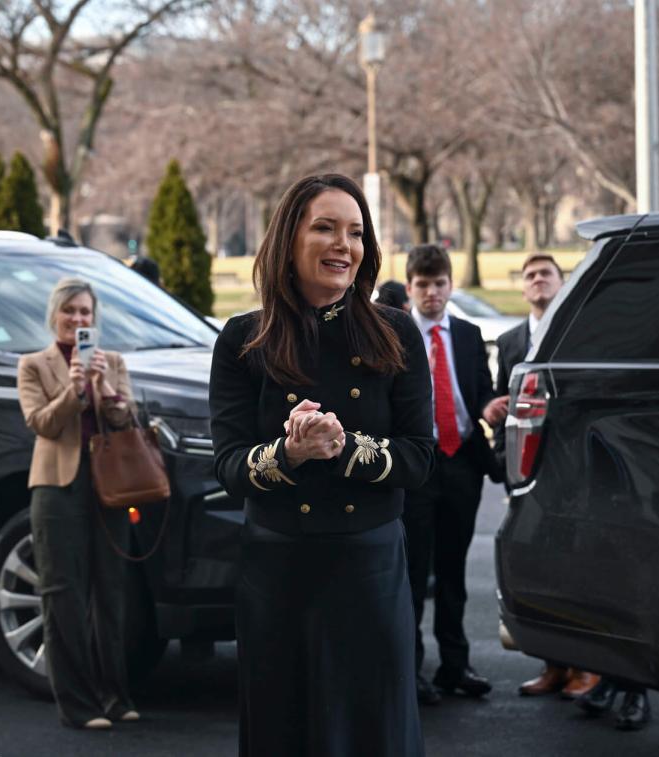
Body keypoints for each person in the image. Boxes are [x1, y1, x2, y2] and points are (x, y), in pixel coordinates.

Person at [210, 174, 434, 755]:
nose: (344, 245)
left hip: (368, 566)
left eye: (356, 233)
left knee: (371, 729)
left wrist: (344, 449)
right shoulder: (243, 340)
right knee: (282, 727)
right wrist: (289, 454)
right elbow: (230, 468)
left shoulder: (396, 332)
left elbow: (418, 457)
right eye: (326, 228)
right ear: (289, 239)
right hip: (277, 570)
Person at [16, 277, 140, 730]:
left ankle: (115, 695)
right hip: (56, 487)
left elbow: (127, 419)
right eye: (70, 312)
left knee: (110, 591)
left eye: (86, 313)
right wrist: (73, 391)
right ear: (55, 315)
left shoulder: (114, 362)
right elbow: (42, 425)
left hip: (109, 484)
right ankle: (77, 703)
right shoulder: (34, 365)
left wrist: (105, 388)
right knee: (62, 594)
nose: (78, 320)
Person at [402, 244, 507, 705]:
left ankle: (455, 663)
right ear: (409, 288)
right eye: (422, 285)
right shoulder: (398, 334)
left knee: (453, 570)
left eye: (439, 284)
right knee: (412, 572)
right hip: (417, 466)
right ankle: (411, 668)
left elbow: (477, 390)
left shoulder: (466, 334)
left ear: (450, 285)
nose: (431, 293)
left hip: (461, 460)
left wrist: (489, 405)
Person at [496, 253, 600, 701]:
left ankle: (586, 666)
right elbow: (501, 398)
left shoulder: (583, 333)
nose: (538, 280)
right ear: (523, 287)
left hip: (575, 472)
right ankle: (553, 666)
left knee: (578, 572)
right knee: (539, 572)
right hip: (527, 474)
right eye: (531, 275)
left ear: (562, 283)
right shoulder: (508, 340)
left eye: (546, 274)